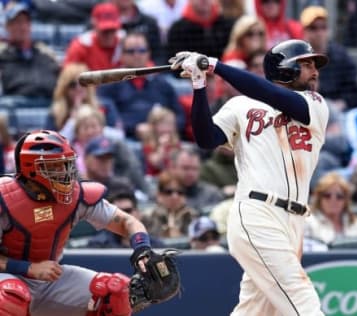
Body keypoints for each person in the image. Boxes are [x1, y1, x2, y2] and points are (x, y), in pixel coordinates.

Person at [169, 38, 329, 315]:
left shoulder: (314, 104)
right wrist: (198, 83)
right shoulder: (240, 106)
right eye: (306, 64)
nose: (314, 71)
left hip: (294, 222)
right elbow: (207, 139)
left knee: (255, 310)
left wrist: (215, 66)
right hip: (257, 213)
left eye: (314, 65)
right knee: (304, 302)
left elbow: (274, 96)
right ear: (285, 70)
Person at [0, 130, 157, 315]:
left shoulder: (76, 195)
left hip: (49, 276)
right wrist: (28, 268)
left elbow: (127, 221)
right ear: (31, 168)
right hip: (8, 274)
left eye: (66, 164)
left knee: (114, 291)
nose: (65, 172)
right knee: (10, 296)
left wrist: (143, 249)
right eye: (56, 166)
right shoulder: (5, 197)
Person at [300, 5, 357, 110]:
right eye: (313, 28)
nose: (319, 32)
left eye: (323, 27)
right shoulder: (296, 57)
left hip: (337, 112)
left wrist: (342, 103)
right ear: (304, 31)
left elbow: (355, 92)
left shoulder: (341, 56)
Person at [0, 2, 59, 101]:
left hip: (49, 106)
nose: (22, 27)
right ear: (8, 27)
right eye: (17, 22)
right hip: (13, 109)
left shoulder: (45, 53)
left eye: (26, 21)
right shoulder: (2, 56)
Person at [88, 190, 166, 248]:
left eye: (128, 211)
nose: (123, 216)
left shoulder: (155, 245)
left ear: (138, 213)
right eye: (118, 212)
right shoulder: (98, 245)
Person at [305, 172, 357, 245]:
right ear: (319, 199)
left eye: (339, 196)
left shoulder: (356, 223)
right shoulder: (308, 223)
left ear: (346, 200)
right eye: (327, 196)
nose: (333, 200)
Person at [63, 2, 124, 70]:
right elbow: (68, 75)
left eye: (112, 30)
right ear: (94, 25)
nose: (109, 35)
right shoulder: (81, 45)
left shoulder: (126, 43)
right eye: (105, 31)